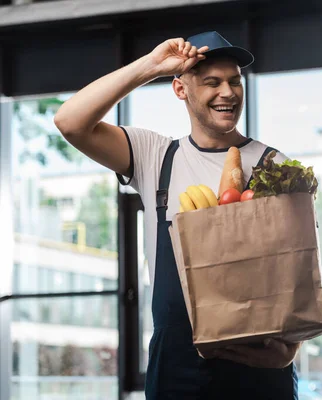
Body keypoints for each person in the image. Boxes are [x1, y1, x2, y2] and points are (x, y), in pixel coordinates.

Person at [54, 31, 300, 399]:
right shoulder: (156, 156)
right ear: (180, 90)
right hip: (176, 369)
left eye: (235, 81)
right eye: (211, 82)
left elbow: (296, 267)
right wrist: (150, 66)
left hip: (258, 366)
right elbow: (70, 122)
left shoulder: (273, 164)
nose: (228, 93)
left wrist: (291, 349)